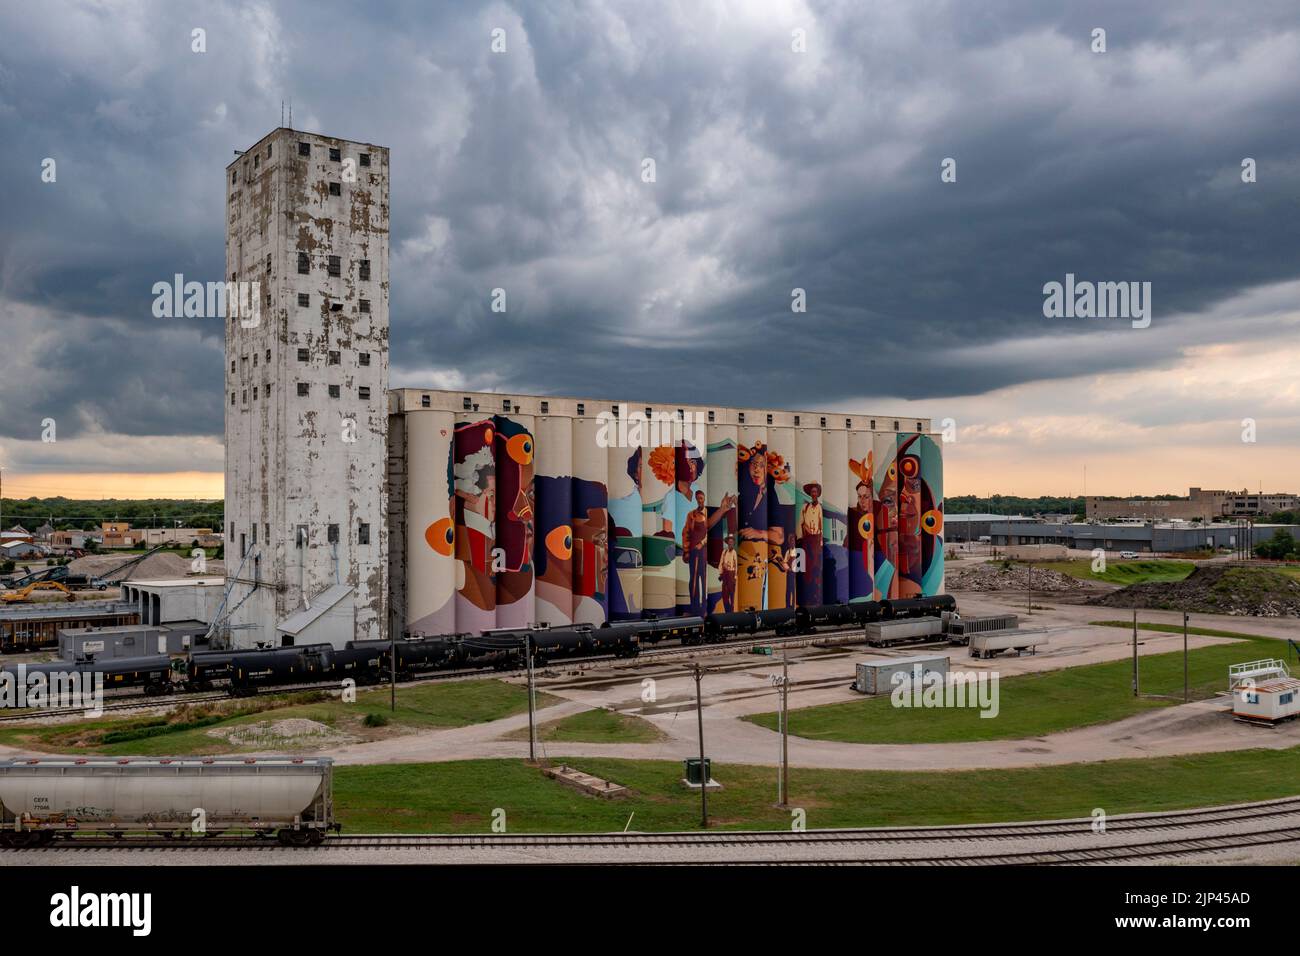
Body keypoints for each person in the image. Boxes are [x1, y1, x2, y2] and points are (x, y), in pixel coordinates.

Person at [718, 533, 737, 612]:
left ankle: (731, 611)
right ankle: (727, 610)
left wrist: (735, 576)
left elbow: (736, 565)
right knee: (724, 595)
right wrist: (721, 573)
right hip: (725, 575)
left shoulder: (734, 553)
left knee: (731, 595)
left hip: (731, 575)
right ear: (727, 542)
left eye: (732, 541)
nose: (730, 543)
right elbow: (720, 563)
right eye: (729, 541)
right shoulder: (724, 552)